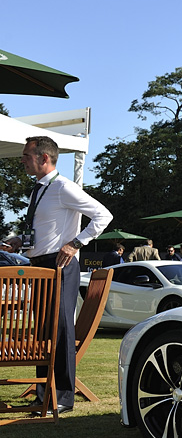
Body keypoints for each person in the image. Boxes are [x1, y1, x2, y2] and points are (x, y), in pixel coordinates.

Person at [21, 136, 112, 414]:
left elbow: (103, 215)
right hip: (39, 264)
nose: (22, 159)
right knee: (43, 331)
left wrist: (76, 243)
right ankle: (43, 393)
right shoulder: (39, 189)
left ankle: (62, 397)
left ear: (43, 158)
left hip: (59, 265)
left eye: (26, 155)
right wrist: (19, 241)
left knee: (60, 329)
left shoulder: (62, 187)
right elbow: (46, 230)